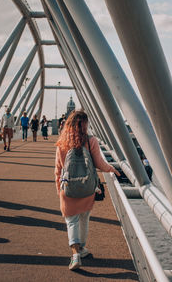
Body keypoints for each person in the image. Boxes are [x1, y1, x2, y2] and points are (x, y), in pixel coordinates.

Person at [55, 110, 120, 271]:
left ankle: (75, 254)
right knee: (84, 219)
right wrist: (113, 169)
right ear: (85, 125)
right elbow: (99, 163)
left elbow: (58, 170)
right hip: (87, 187)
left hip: (68, 188)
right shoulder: (91, 141)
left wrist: (59, 190)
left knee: (71, 221)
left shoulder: (62, 142)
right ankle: (82, 248)